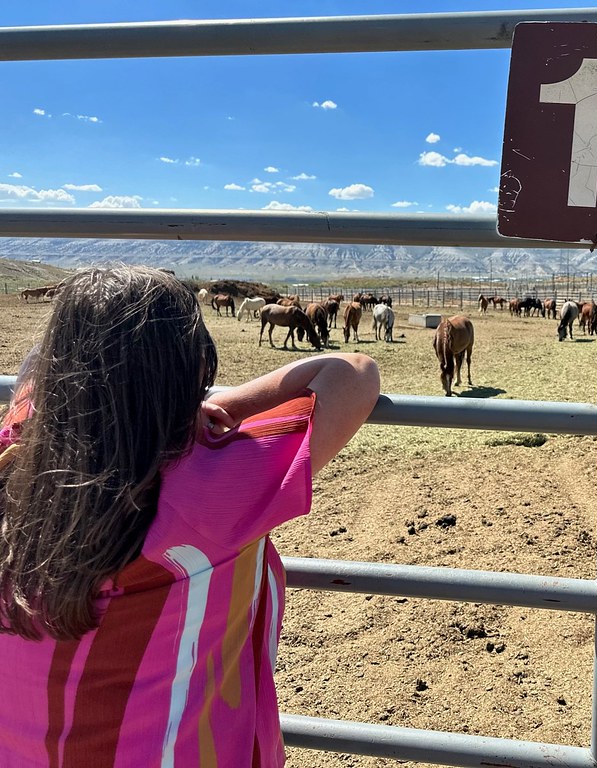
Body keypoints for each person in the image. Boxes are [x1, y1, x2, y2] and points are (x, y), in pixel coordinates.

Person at [0, 266, 380, 766]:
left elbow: (36, 394)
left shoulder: (13, 466)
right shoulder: (212, 486)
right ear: (191, 371)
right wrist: (228, 402)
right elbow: (354, 372)